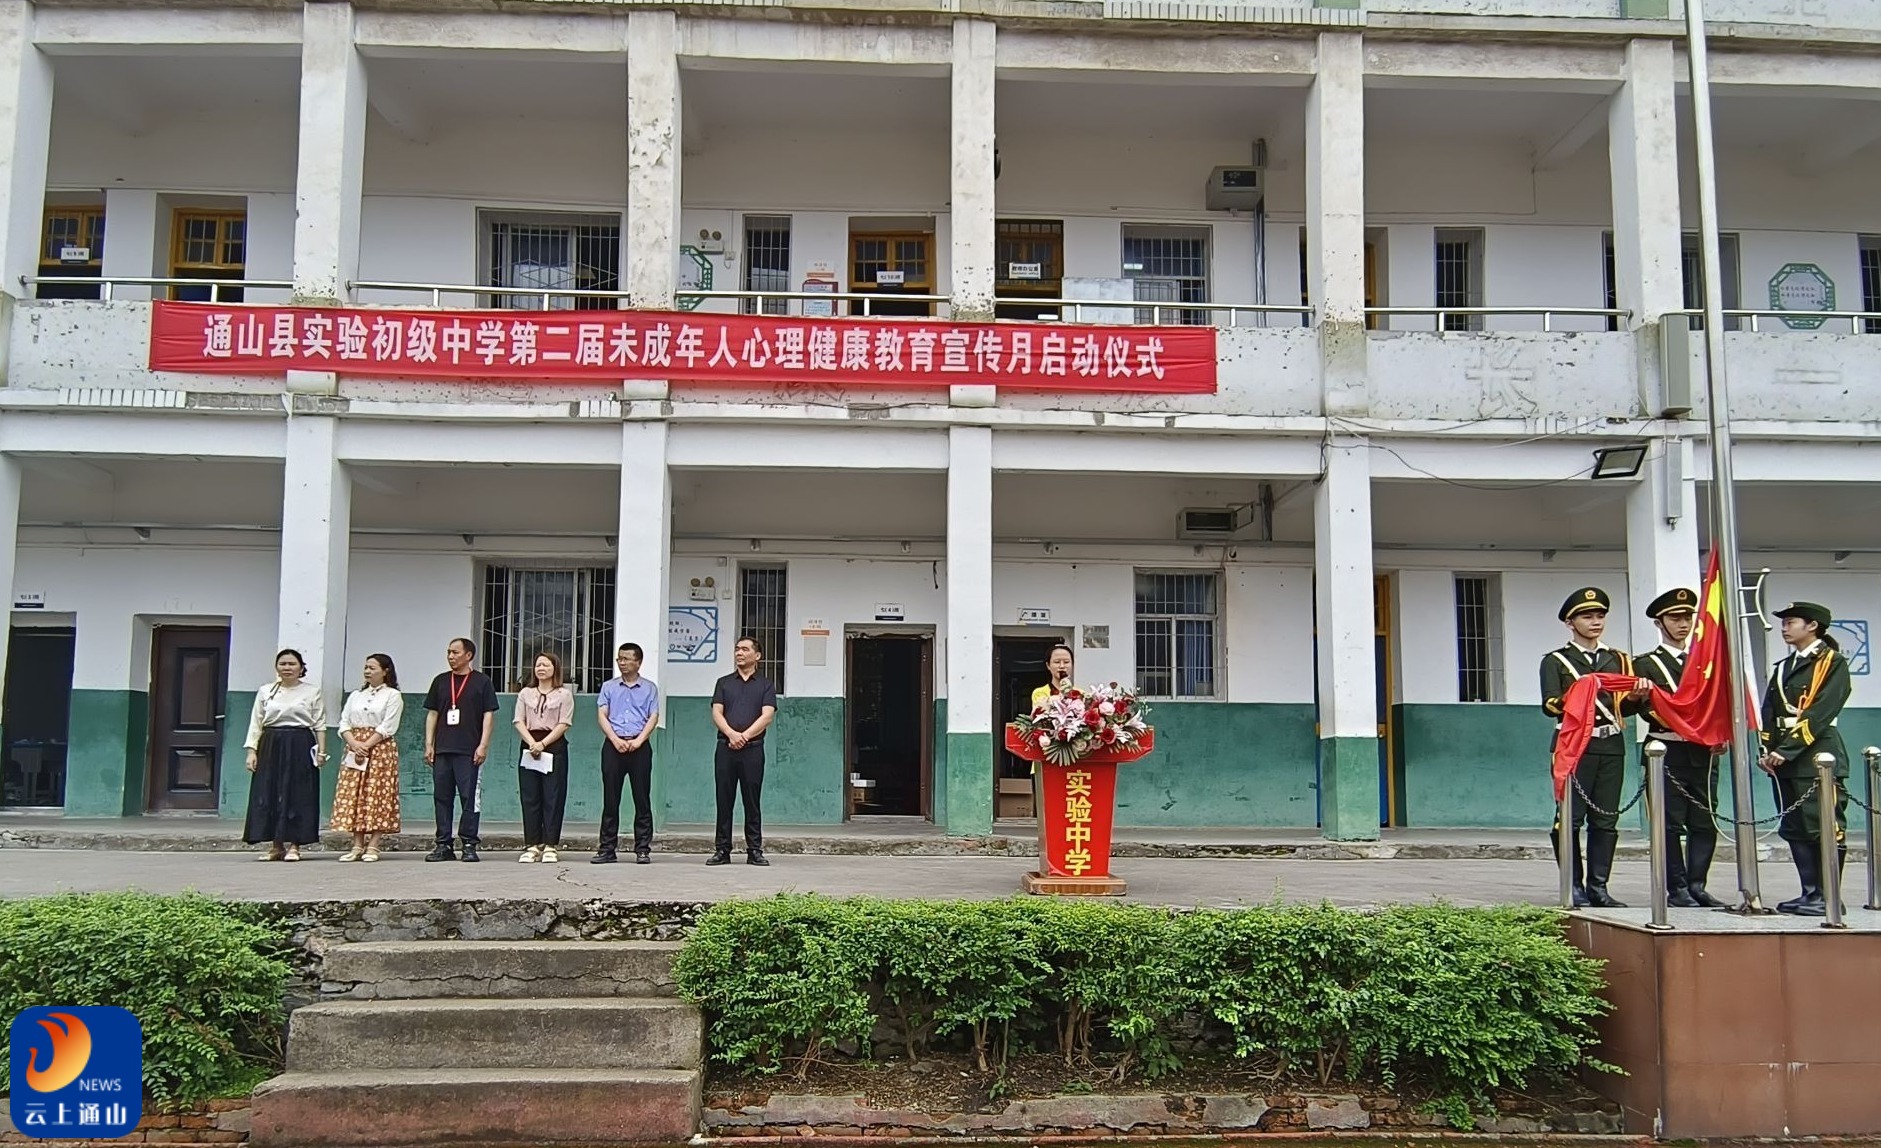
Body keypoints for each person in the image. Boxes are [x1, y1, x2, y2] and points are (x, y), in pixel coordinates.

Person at [1541, 587, 1649, 908]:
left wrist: (1636, 697)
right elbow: (1550, 704)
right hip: (1575, 745)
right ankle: (1572, 884)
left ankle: (1598, 887)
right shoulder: (1557, 660)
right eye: (1587, 617)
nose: (1595, 622)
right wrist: (1580, 694)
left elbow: (1623, 708)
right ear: (1570, 622)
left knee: (1605, 818)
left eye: (1600, 616)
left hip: (1611, 743)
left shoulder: (1617, 659)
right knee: (1570, 818)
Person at [1632, 589, 1723, 908]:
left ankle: (1697, 884)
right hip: (1665, 749)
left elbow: (1717, 702)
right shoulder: (1645, 664)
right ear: (1660, 623)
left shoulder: (1705, 663)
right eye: (1675, 618)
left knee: (1704, 820)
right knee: (1669, 823)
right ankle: (1677, 888)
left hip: (1701, 750)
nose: (1683, 624)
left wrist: (1717, 731)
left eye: (1687, 618)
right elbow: (1640, 709)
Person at [1759, 601, 1851, 917]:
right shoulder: (1784, 666)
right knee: (1795, 827)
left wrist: (1785, 751)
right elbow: (1769, 710)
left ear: (1812, 625)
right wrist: (1767, 749)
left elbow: (1821, 712)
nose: (1784, 627)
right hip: (1786, 759)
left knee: (1824, 826)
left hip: (1817, 756)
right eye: (1783, 623)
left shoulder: (1832, 662)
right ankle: (1810, 893)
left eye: (1791, 621)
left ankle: (1829, 896)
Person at [242, 649, 326, 862]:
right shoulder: (266, 691)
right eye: (282, 664)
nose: (287, 668)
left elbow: (319, 723)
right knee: (269, 791)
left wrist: (321, 752)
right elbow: (256, 722)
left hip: (300, 743)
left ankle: (295, 845)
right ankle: (276, 846)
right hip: (271, 742)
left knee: (298, 793)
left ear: (301, 668)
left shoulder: (312, 692)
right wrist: (252, 751)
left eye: (291, 664)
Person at [423, 637, 499, 863]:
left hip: (469, 751)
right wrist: (429, 744)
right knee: (442, 797)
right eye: (448, 652)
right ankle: (443, 844)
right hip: (443, 749)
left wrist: (483, 744)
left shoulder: (482, 681)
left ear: (469, 655)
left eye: (455, 652)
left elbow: (488, 715)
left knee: (469, 798)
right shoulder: (440, 681)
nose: (451, 657)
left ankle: (468, 843)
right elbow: (433, 713)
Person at [710, 635, 778, 867]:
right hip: (725, 748)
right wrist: (731, 734)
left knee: (752, 801)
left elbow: (767, 716)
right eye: (737, 649)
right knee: (724, 800)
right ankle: (722, 850)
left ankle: (755, 850)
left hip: (753, 750)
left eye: (745, 649)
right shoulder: (724, 683)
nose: (739, 653)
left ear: (757, 656)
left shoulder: (766, 685)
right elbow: (717, 713)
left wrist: (744, 737)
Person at [332, 653, 403, 863]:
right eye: (366, 667)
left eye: (372, 668)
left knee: (377, 793)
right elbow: (344, 722)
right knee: (356, 794)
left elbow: (388, 725)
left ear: (385, 670)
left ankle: (373, 845)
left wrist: (367, 744)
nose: (367, 671)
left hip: (379, 748)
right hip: (355, 748)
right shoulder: (356, 695)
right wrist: (354, 743)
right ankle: (356, 844)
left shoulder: (392, 695)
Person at [594, 642, 661, 865]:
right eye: (619, 659)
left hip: (639, 747)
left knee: (642, 798)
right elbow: (602, 714)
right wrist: (614, 739)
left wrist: (639, 741)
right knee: (610, 799)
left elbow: (653, 717)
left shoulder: (650, 688)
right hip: (613, 747)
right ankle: (607, 849)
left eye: (626, 659)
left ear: (638, 662)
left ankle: (642, 848)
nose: (622, 663)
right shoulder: (609, 687)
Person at [513, 652, 575, 864]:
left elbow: (564, 723)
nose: (541, 668)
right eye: (538, 665)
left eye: (546, 665)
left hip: (553, 745)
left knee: (553, 796)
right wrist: (532, 742)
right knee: (530, 796)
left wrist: (543, 744)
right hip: (529, 745)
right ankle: (532, 844)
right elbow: (518, 720)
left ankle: (550, 844)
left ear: (555, 669)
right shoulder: (525, 693)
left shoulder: (564, 694)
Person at [1030, 644, 1075, 712]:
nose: (1062, 666)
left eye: (1066, 662)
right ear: (1048, 665)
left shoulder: (1080, 694)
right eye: (1057, 662)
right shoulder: (1039, 693)